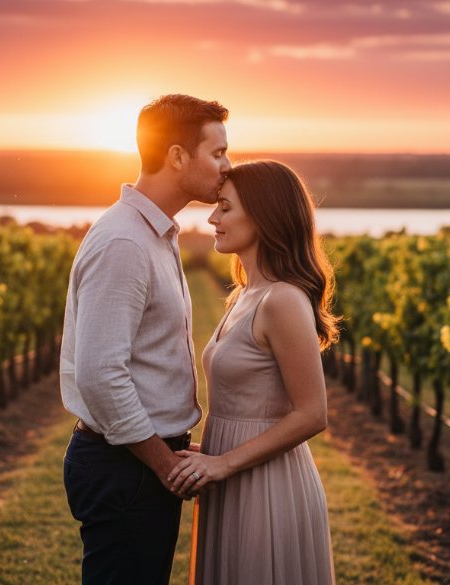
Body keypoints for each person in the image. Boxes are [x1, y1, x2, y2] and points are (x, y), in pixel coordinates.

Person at [59, 94, 231, 585]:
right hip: (127, 467)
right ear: (177, 156)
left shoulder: (151, 233)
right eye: (217, 153)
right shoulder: (125, 242)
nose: (227, 165)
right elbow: (100, 376)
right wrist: (164, 464)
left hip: (134, 460)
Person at [167, 160, 340, 585]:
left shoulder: (282, 300)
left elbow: (312, 413)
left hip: (267, 485)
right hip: (230, 473)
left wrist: (224, 462)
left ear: (263, 216)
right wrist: (212, 453)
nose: (212, 218)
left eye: (225, 208)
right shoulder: (245, 294)